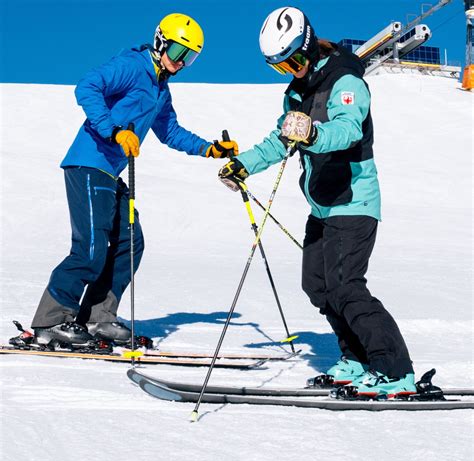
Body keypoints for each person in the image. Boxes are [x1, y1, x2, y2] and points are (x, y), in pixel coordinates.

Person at [218, 6, 416, 398]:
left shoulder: (346, 80)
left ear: (307, 47)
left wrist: (311, 134)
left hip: (354, 201)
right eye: (279, 67)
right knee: (318, 286)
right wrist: (242, 165)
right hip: (323, 205)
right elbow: (280, 140)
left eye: (292, 60)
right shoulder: (297, 92)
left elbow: (346, 129)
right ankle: (356, 359)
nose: (289, 70)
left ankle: (394, 370)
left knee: (347, 287)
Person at [27, 13, 238, 349]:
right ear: (160, 42)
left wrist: (209, 149)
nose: (183, 63)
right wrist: (114, 130)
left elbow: (170, 132)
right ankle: (51, 321)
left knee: (130, 243)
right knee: (91, 249)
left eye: (191, 58)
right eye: (180, 53)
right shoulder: (132, 66)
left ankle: (98, 317)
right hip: (89, 165)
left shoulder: (160, 89)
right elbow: (87, 86)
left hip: (111, 174)